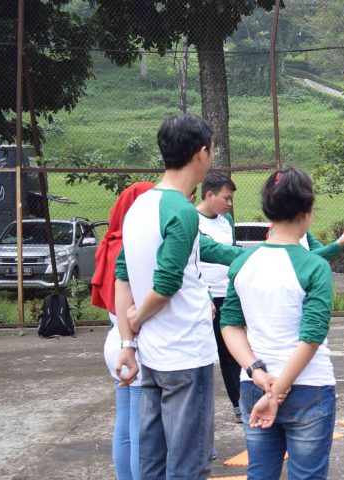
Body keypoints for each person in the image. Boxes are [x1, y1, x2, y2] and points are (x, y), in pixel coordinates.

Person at [113, 114, 242, 479]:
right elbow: (167, 284)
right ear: (201, 153)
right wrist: (137, 318)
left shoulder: (139, 207)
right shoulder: (182, 210)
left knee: (153, 462)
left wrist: (128, 341)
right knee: (189, 464)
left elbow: (122, 276)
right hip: (185, 352)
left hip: (152, 354)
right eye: (212, 150)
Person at [218, 167, 344, 479]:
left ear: (268, 210)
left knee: (260, 473)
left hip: (254, 385)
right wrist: (278, 390)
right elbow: (312, 336)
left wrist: (257, 372)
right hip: (309, 387)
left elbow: (230, 325)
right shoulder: (315, 266)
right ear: (307, 212)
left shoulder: (242, 263)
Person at [92, 181, 155, 480]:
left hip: (116, 339)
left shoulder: (110, 243)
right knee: (141, 431)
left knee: (126, 424)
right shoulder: (135, 246)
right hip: (134, 342)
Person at [195, 172, 243, 423]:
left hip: (229, 294)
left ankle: (240, 406)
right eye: (226, 198)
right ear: (209, 195)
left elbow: (232, 253)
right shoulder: (191, 220)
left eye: (231, 199)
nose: (229, 204)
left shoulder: (226, 222)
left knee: (232, 351)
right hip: (205, 297)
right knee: (203, 354)